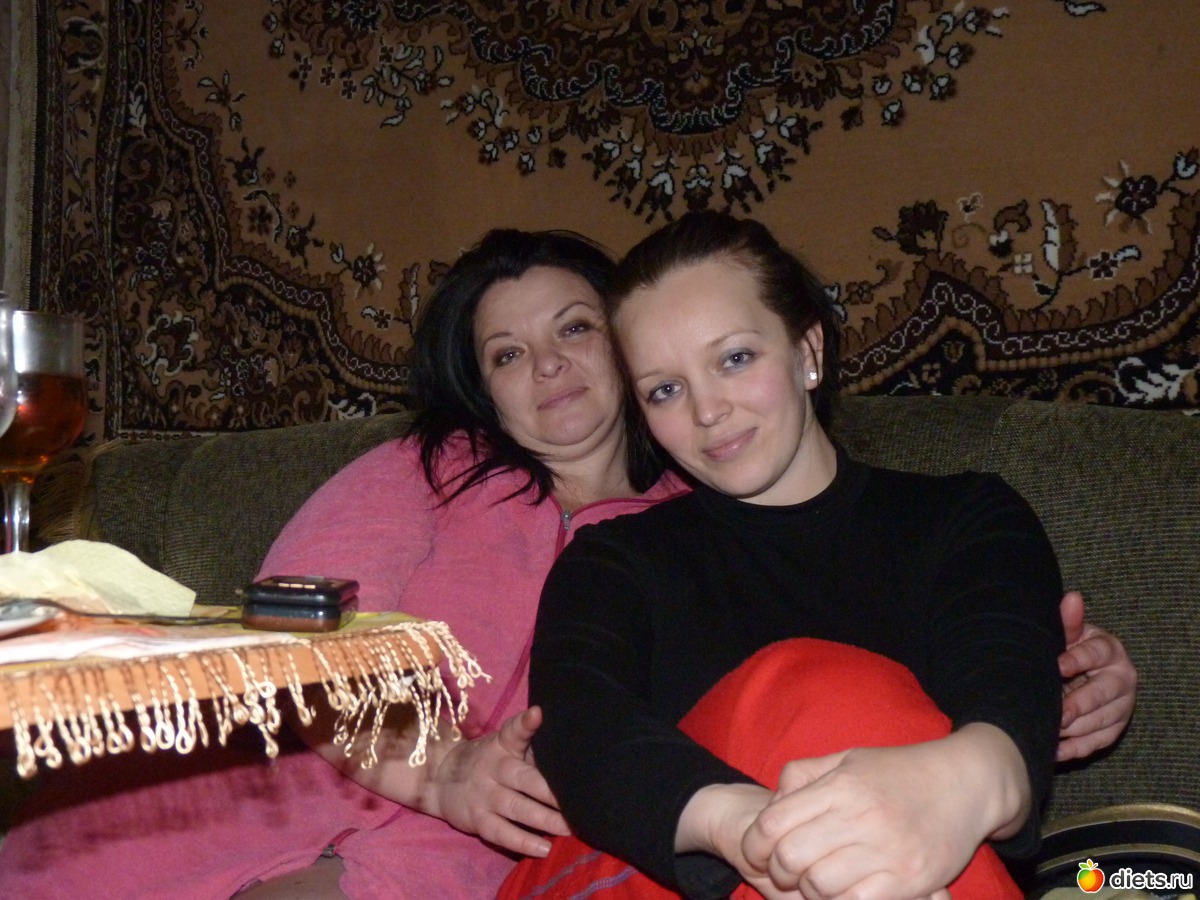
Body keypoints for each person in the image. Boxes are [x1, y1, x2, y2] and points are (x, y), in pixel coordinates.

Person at [0, 227, 1134, 900]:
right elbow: (285, 645)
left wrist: (1029, 701)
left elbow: (891, 644)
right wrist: (433, 765)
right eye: (507, 353)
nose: (546, 368)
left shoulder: (709, 510)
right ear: (481, 388)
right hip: (297, 798)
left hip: (492, 861)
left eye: (575, 330)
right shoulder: (432, 474)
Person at [501, 212, 1105, 900]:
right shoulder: (612, 562)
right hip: (640, 874)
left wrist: (943, 791)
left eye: (734, 359)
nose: (707, 411)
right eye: (665, 390)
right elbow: (582, 733)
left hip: (926, 861)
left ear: (807, 349)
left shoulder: (971, 519)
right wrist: (752, 831)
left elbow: (1006, 689)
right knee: (823, 689)